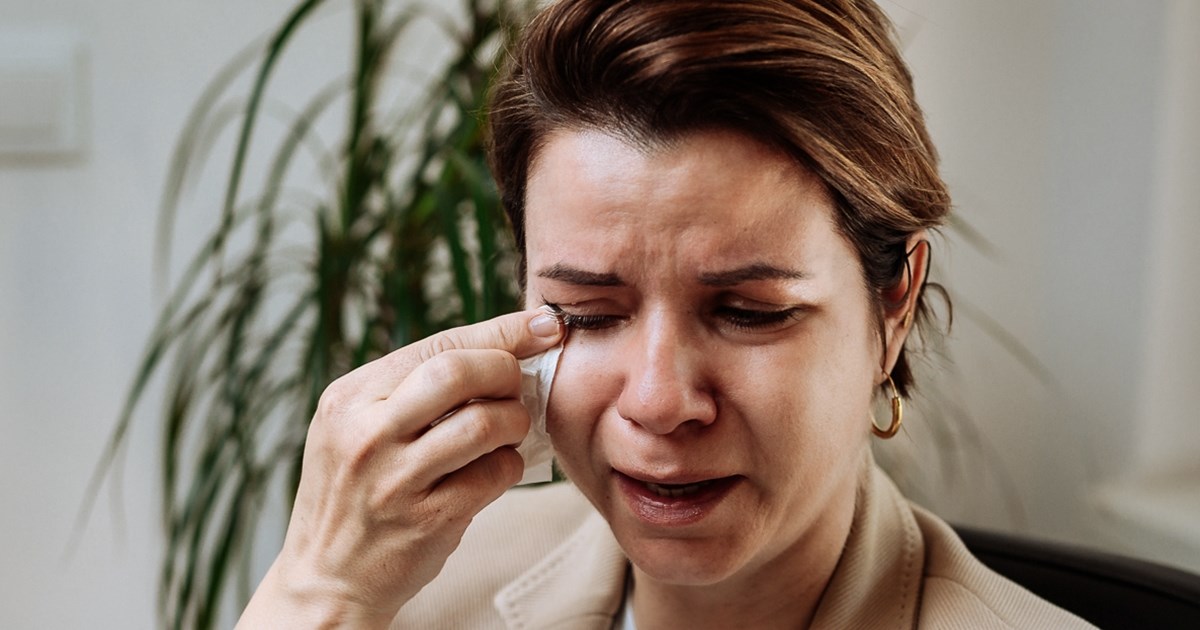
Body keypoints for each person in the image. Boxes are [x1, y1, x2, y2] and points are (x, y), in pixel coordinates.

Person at [239, 0, 1093, 627]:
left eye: (749, 312)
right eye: (586, 313)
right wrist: (317, 594)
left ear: (892, 305)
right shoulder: (421, 596)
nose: (656, 400)